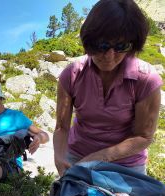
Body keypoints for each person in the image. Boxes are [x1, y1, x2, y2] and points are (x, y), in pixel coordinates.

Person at [54, 0, 163, 177]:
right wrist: (59, 157)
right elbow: (61, 127)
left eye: (121, 47)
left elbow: (143, 137)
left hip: (127, 164)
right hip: (77, 156)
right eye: (102, 45)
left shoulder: (146, 79)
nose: (110, 56)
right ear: (89, 41)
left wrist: (98, 158)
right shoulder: (71, 75)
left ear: (132, 45)